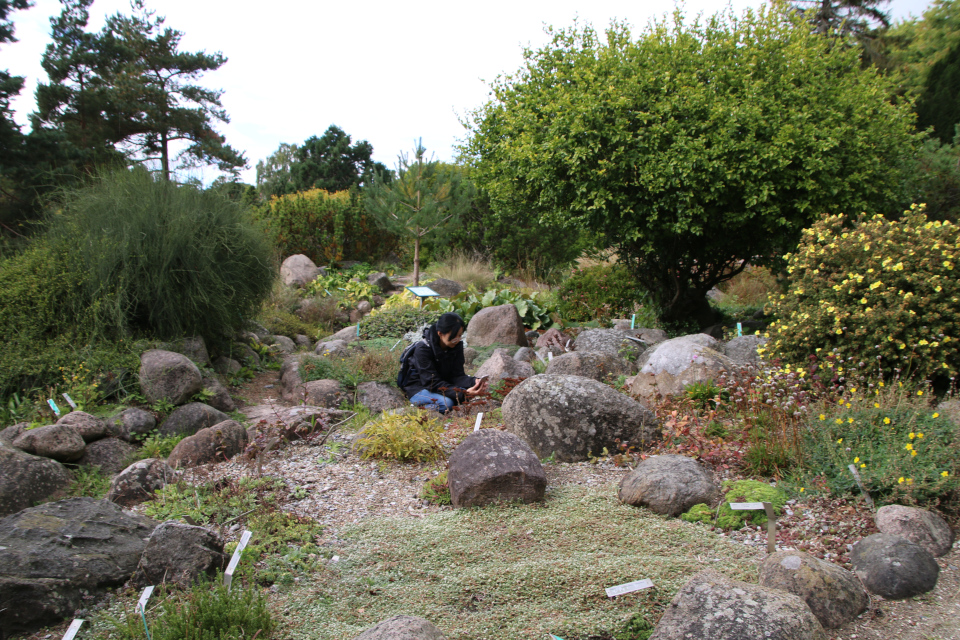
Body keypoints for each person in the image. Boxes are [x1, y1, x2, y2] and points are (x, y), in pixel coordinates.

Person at [402, 312, 488, 413]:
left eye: (460, 335)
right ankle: (413, 412)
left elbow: (457, 375)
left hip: (442, 385)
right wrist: (463, 393)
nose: (458, 340)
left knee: (466, 393)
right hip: (419, 388)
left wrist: (474, 382)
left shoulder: (456, 347)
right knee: (447, 403)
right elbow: (432, 383)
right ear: (440, 333)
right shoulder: (423, 349)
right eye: (454, 336)